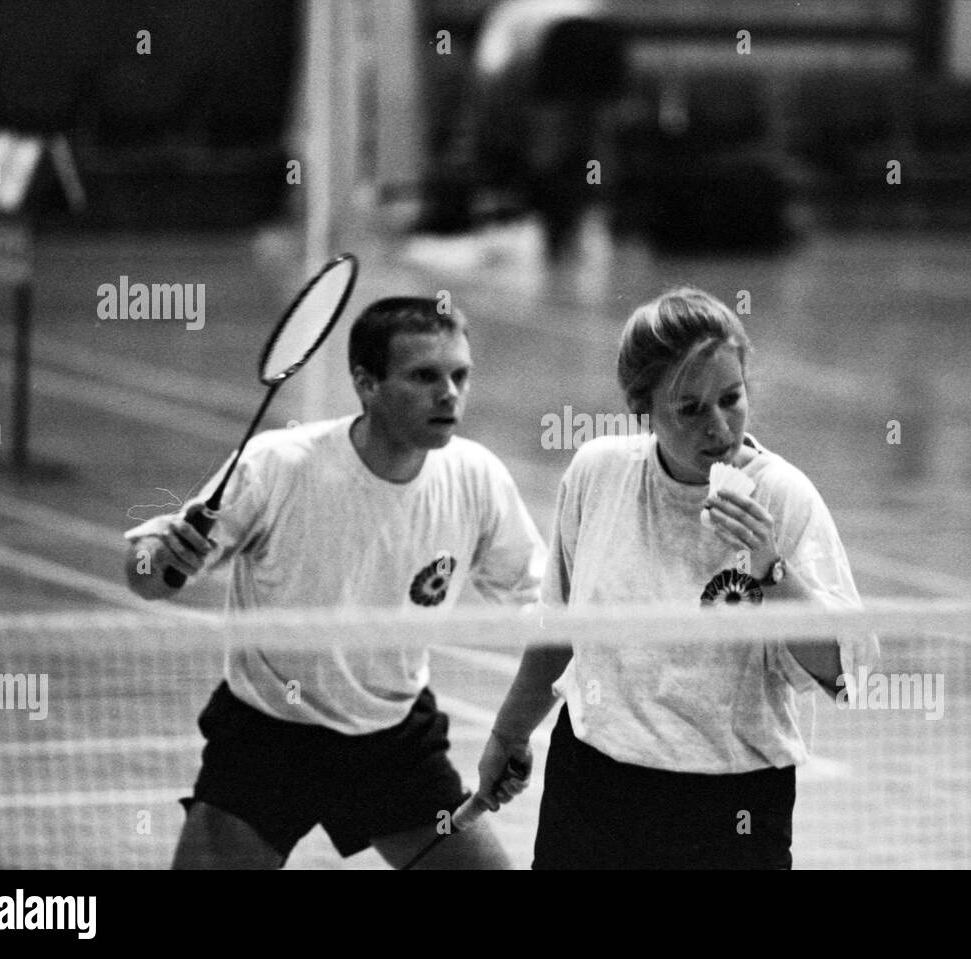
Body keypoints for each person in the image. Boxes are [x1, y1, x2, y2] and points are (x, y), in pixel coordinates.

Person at [124, 296, 545, 869]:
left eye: (459, 375)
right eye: (424, 376)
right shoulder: (277, 466)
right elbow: (148, 580)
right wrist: (158, 557)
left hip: (393, 745)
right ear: (366, 383)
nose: (449, 393)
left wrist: (523, 727)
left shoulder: (475, 477)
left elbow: (542, 608)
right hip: (266, 743)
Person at [476, 287, 878, 869]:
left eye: (731, 399)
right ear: (643, 410)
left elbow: (844, 674)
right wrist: (508, 734)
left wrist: (769, 566)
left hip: (732, 803)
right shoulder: (598, 474)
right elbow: (558, 633)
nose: (719, 427)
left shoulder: (784, 497)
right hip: (593, 784)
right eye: (689, 409)